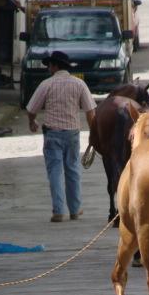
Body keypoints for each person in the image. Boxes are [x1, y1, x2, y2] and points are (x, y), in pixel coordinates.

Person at [26, 51, 97, 223]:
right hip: (72, 134)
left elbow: (31, 109)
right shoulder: (79, 84)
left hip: (52, 134)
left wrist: (32, 122)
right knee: (73, 170)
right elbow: (90, 111)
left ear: (55, 66)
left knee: (55, 172)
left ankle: (58, 211)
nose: (49, 68)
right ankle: (74, 210)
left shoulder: (46, 84)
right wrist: (94, 133)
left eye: (50, 65)